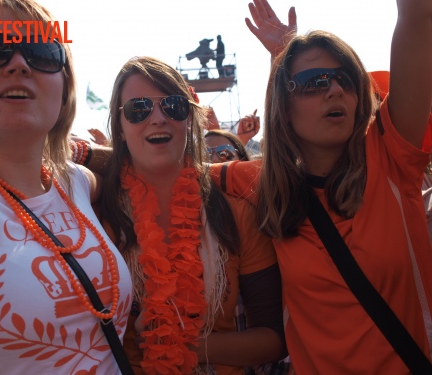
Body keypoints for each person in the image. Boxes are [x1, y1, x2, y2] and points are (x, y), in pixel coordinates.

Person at [212, 0, 432, 373]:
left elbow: (417, 16)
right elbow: (169, 168)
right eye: (315, 82)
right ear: (284, 105)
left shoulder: (392, 159)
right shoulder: (265, 184)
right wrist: (83, 155)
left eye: (345, 79)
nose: (334, 89)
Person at [0, 0, 132, 373]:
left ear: (63, 90)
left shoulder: (74, 181)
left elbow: (127, 163)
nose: (19, 64)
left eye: (42, 53)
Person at [98, 56, 286, 374]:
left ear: (190, 118)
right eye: (138, 108)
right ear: (119, 124)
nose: (157, 118)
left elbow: (273, 339)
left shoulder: (237, 213)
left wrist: (185, 347)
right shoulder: (95, 215)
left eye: (173, 105)